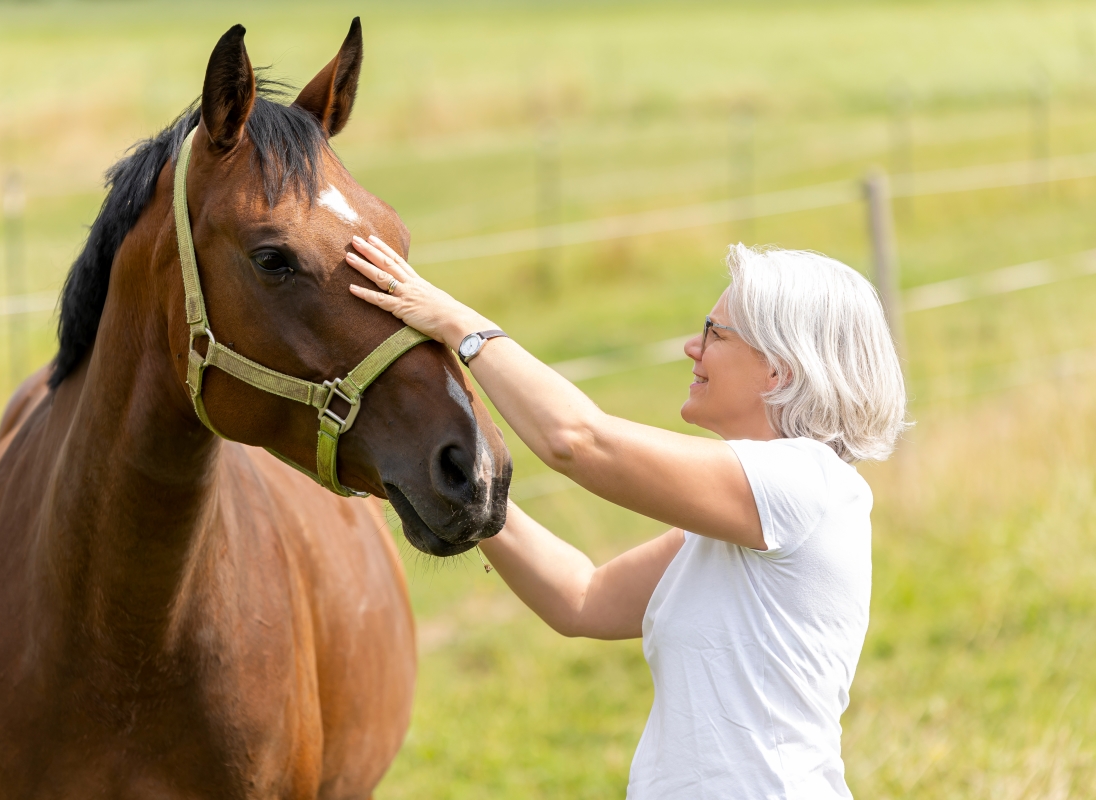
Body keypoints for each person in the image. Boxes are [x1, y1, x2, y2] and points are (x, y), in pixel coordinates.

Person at [345, 236, 907, 799]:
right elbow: (581, 598)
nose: (694, 346)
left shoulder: (805, 485)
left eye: (715, 333)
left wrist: (456, 323)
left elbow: (579, 440)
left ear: (779, 371)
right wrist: (467, 479)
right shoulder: (737, 528)